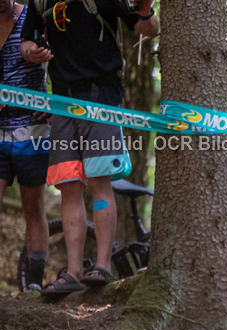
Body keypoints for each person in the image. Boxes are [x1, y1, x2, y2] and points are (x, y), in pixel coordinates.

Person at [19, 0, 158, 295]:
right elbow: (26, 40)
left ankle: (103, 266)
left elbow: (149, 29)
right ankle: (72, 273)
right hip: (62, 102)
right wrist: (32, 52)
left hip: (102, 100)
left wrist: (145, 10)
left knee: (98, 181)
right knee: (69, 186)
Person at [0, 1, 49, 292]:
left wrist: (54, 104)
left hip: (33, 127)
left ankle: (34, 285)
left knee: (33, 205)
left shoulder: (31, 16)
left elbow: (62, 54)